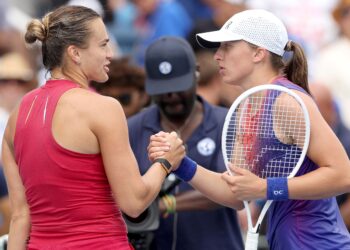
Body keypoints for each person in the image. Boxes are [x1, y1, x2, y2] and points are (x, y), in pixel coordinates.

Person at [148, 9, 350, 250]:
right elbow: (235, 194)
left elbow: (343, 175)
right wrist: (181, 163)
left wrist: (266, 187)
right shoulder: (248, 105)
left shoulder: (288, 101)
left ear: (258, 53)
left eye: (227, 46)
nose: (217, 56)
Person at [1, 5, 185, 250]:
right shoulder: (104, 108)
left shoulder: (17, 114)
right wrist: (165, 161)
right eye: (103, 44)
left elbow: (19, 217)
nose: (111, 53)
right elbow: (134, 201)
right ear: (75, 53)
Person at [127, 36, 244, 250]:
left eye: (179, 86)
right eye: (163, 90)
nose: (171, 96)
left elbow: (231, 192)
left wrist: (165, 204)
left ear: (196, 73)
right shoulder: (132, 128)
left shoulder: (226, 122)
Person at [314, 0, 350, 128]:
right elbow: (321, 99)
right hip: (343, 132)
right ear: (340, 21)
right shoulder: (329, 55)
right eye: (346, 13)